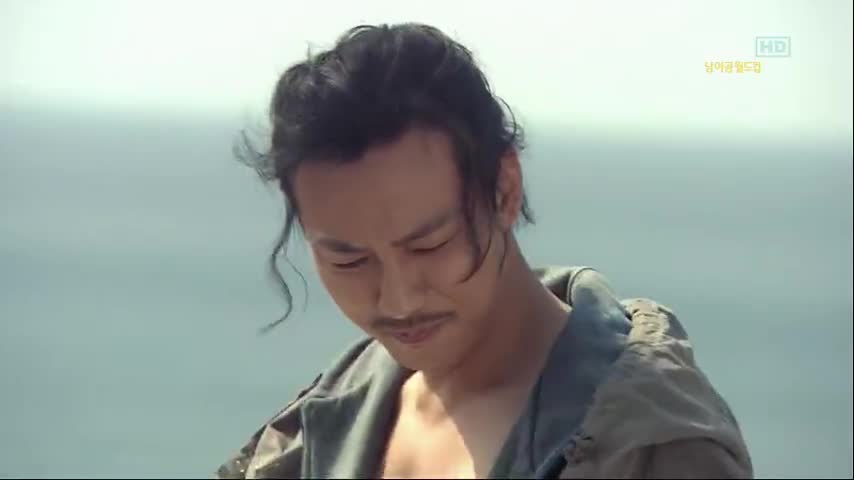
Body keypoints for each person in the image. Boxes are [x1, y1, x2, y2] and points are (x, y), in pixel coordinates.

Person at [215, 22, 753, 479]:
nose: (399, 299)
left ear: (504, 191)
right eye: (349, 261)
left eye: (429, 245)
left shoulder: (653, 450)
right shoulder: (313, 431)